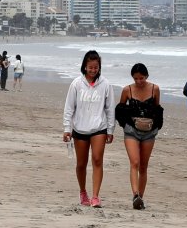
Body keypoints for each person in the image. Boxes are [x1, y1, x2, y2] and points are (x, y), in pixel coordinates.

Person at [62, 50, 115, 209]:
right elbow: (69, 107)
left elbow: (110, 108)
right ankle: (83, 192)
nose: (93, 70)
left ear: (99, 68)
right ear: (85, 67)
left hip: (99, 128)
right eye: (90, 67)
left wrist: (110, 130)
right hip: (79, 129)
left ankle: (95, 196)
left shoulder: (105, 84)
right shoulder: (77, 84)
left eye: (96, 67)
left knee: (98, 160)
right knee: (81, 164)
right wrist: (67, 128)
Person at [116, 63, 162, 210]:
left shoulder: (155, 89)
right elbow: (120, 110)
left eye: (141, 78)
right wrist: (126, 125)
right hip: (131, 131)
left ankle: (140, 197)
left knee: (143, 165)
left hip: (149, 132)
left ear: (147, 76)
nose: (139, 81)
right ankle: (135, 194)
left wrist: (155, 126)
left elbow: (157, 109)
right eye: (136, 78)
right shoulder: (127, 90)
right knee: (134, 162)